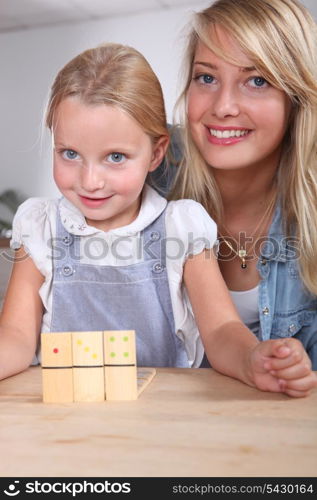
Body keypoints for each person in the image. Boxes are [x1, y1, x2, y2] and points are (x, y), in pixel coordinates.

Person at [0, 43, 315, 398]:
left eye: (115, 157)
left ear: (156, 153)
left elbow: (221, 330)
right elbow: (16, 335)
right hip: (66, 422)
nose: (89, 181)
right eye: (70, 154)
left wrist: (251, 358)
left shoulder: (182, 227)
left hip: (163, 421)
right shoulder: (40, 226)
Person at [162, 0, 317, 381]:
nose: (223, 106)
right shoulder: (148, 178)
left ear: (295, 100)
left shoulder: (310, 209)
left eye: (257, 81)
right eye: (207, 78)